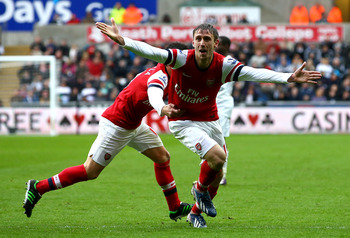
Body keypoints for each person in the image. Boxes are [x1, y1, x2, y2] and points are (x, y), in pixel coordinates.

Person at [96, 19, 322, 228]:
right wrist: (122, 40)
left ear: (215, 43)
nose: (202, 43)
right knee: (218, 157)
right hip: (183, 121)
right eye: (198, 39)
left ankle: (195, 212)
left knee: (217, 170)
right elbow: (151, 51)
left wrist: (287, 77)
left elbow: (254, 73)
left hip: (210, 120)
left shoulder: (224, 65)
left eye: (207, 39)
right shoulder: (181, 58)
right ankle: (198, 190)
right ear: (193, 42)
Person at [22, 43, 193, 222]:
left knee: (163, 157)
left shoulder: (168, 73)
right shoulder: (158, 77)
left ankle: (174, 207)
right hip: (116, 125)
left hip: (133, 124)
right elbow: (154, 96)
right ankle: (38, 187)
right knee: (90, 171)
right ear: (169, 61)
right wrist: (164, 108)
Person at [214, 36, 234, 185]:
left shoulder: (231, 63)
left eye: (219, 43)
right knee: (208, 141)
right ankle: (210, 173)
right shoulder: (211, 59)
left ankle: (222, 175)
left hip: (223, 105)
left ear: (226, 46)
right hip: (209, 105)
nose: (216, 45)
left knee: (220, 141)